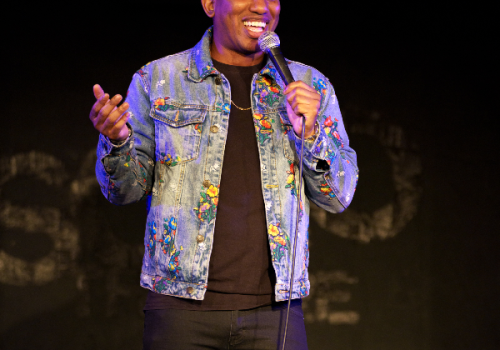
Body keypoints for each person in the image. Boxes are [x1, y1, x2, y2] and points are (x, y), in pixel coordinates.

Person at [89, 0, 358, 348]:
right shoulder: (159, 79)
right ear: (210, 4)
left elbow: (338, 197)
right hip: (181, 308)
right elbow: (123, 191)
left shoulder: (309, 85)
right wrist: (118, 140)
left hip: (275, 312)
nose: (262, 7)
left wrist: (311, 133)